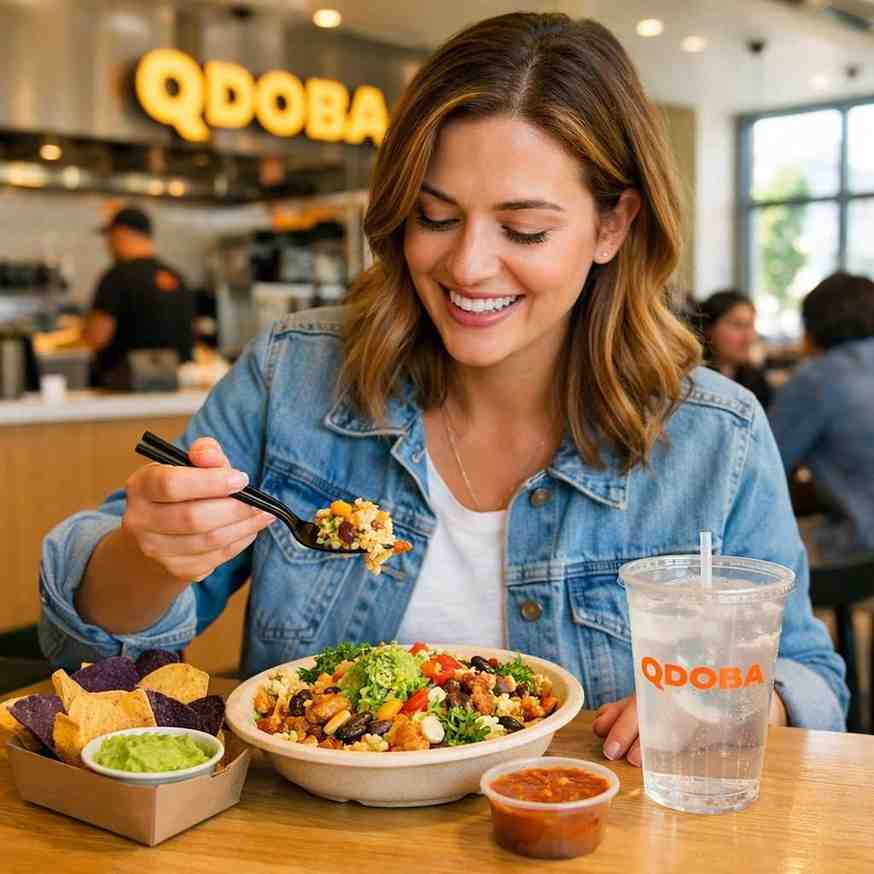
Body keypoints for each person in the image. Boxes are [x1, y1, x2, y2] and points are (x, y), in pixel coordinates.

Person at [39, 13, 847, 769]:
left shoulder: (715, 435)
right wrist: (149, 552)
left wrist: (733, 706)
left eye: (523, 230)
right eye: (435, 216)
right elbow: (91, 647)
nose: (466, 267)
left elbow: (809, 681)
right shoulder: (294, 377)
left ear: (613, 225)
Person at [769, 272, 874, 566]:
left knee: (757, 550)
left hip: (861, 543)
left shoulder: (817, 378)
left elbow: (766, 462)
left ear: (813, 325)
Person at [83, 206, 194, 387]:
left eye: (109, 237)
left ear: (122, 233)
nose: (107, 245)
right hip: (176, 387)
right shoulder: (176, 278)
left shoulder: (116, 277)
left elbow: (97, 337)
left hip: (125, 388)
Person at [697, 289, 772, 408]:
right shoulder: (694, 384)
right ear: (708, 329)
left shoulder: (755, 381)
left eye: (750, 326)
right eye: (738, 325)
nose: (749, 338)